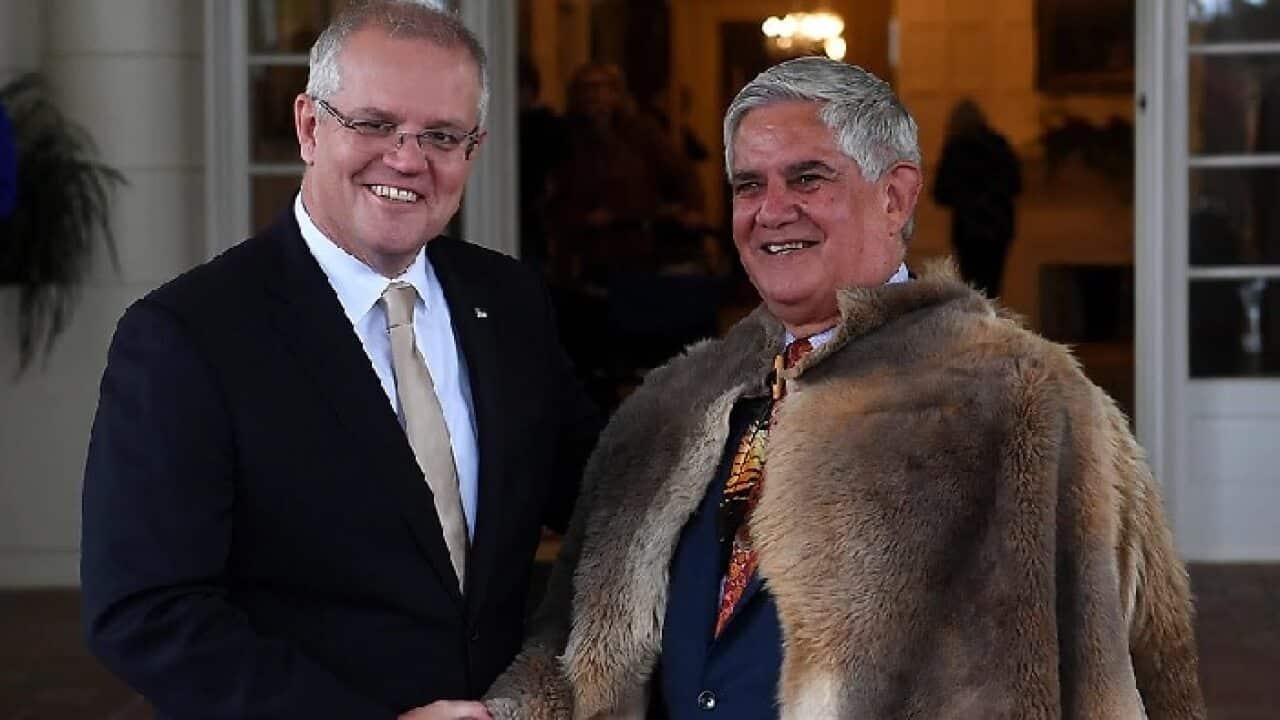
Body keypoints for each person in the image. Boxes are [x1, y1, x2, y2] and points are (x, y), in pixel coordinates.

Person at [483, 57, 1205, 719]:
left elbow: (1135, 673)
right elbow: (573, 645)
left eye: (807, 178)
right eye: (747, 185)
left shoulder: (1025, 404)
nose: (771, 210)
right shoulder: (673, 404)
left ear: (894, 197)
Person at [81, 3, 599, 719]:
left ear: (472, 150)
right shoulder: (187, 336)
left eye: (440, 136)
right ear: (308, 126)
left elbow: (600, 492)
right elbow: (146, 612)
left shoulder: (507, 301)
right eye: (375, 124)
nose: (408, 159)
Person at [933, 98, 1022, 298]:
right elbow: (1015, 185)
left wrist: (965, 198)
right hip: (998, 228)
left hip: (968, 230)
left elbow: (941, 193)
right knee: (993, 287)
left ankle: (977, 327)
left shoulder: (956, 150)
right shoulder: (999, 146)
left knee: (972, 288)